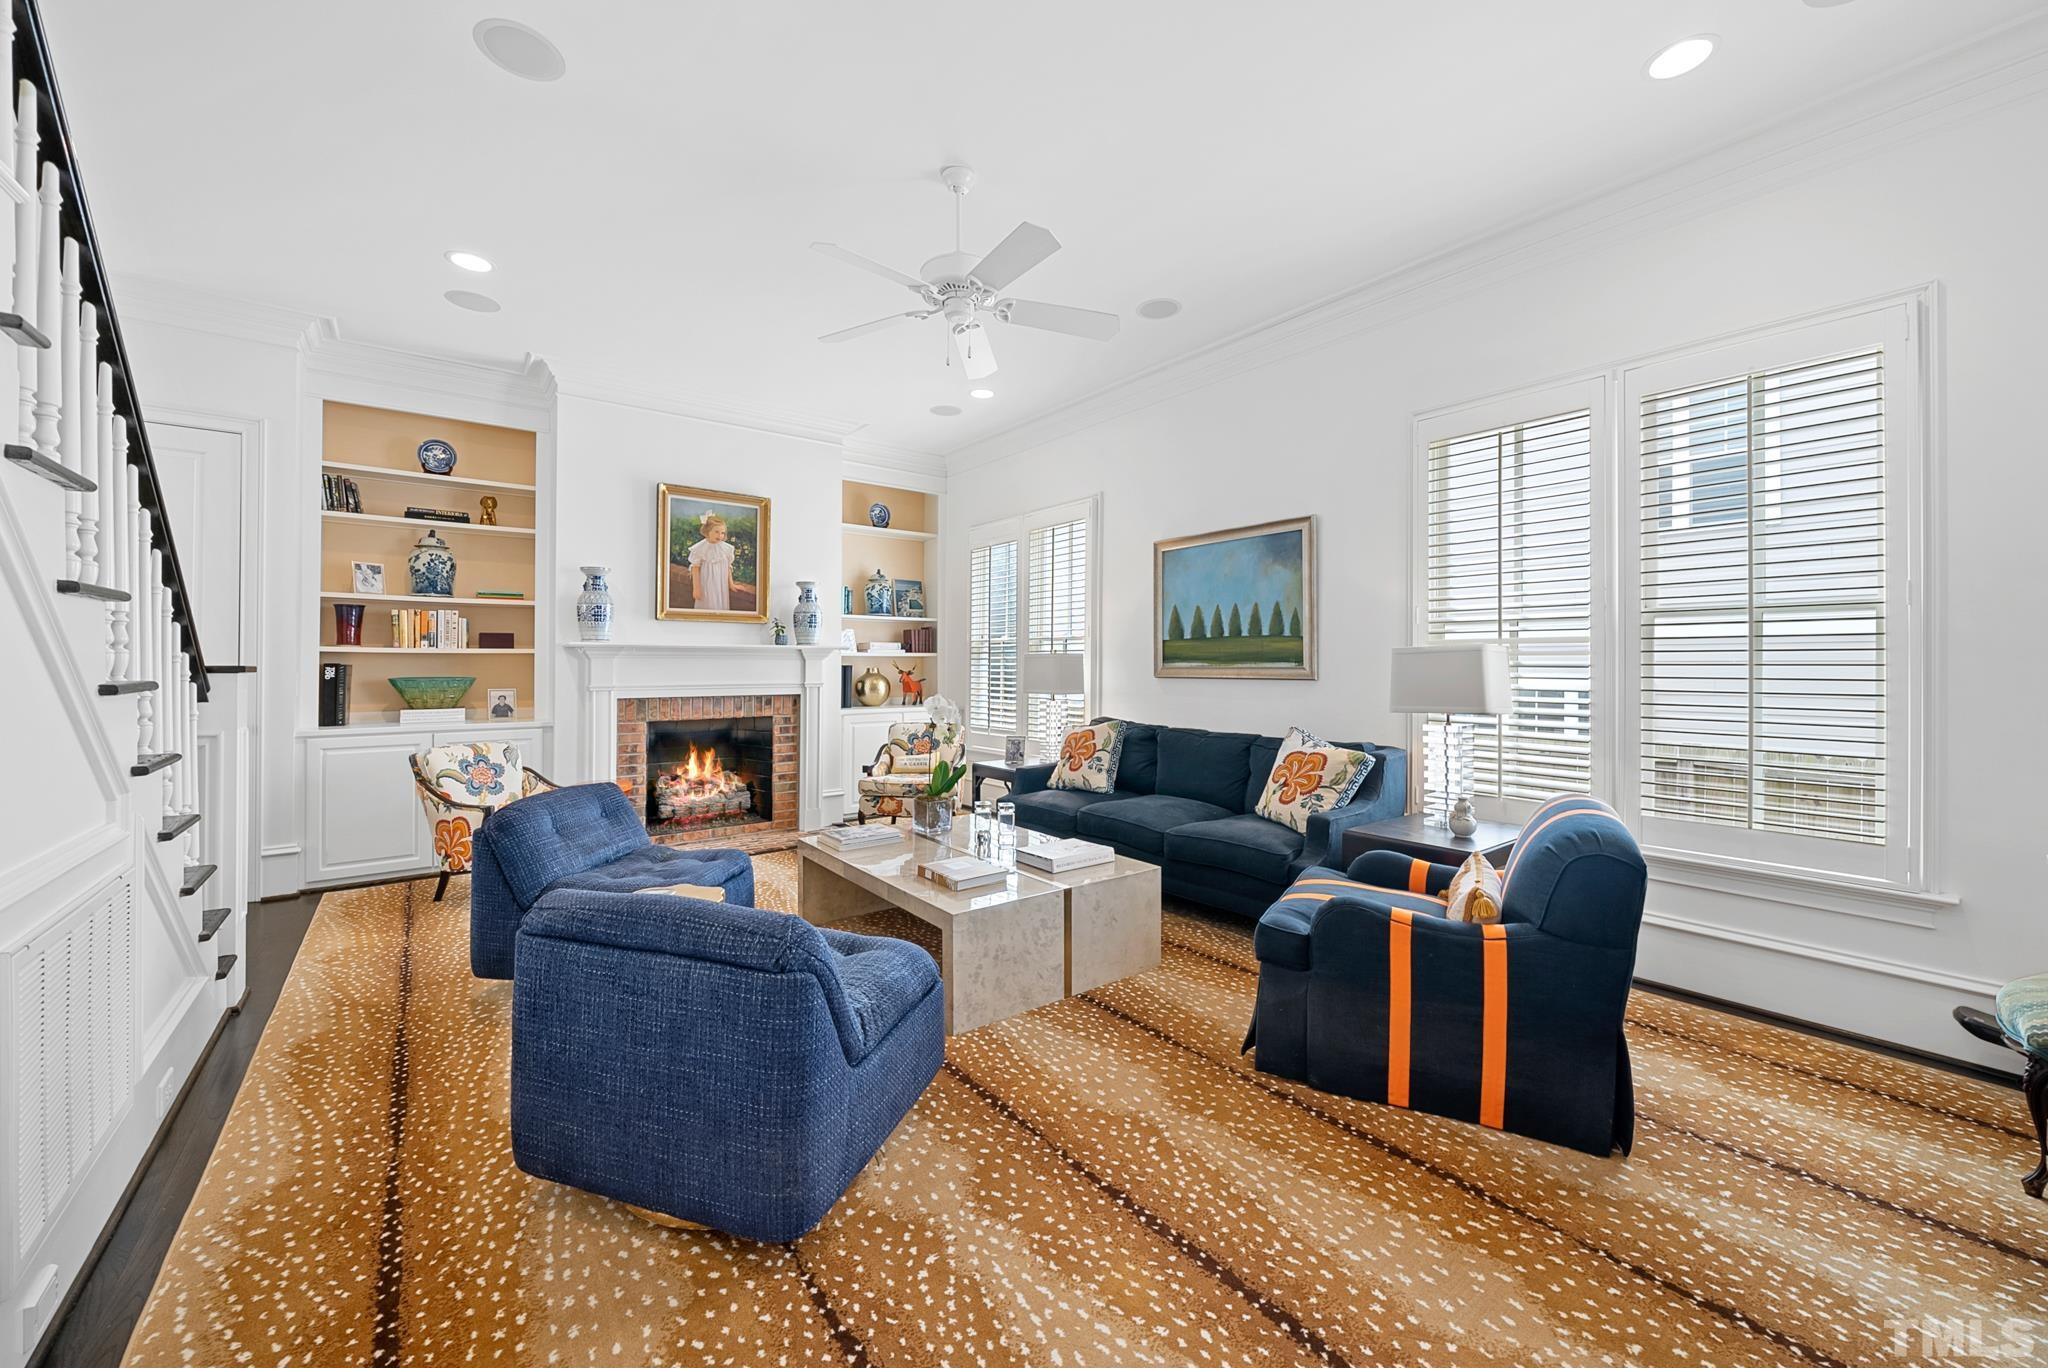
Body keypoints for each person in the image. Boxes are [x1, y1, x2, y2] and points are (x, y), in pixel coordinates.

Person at [688, 512, 735, 611]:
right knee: (707, 603)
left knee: (721, 605)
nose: (720, 535)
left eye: (722, 533)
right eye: (716, 532)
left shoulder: (726, 549)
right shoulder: (700, 548)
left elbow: (728, 567)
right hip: (707, 583)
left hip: (721, 584)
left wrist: (731, 583)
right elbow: (695, 568)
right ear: (707, 531)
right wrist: (696, 588)